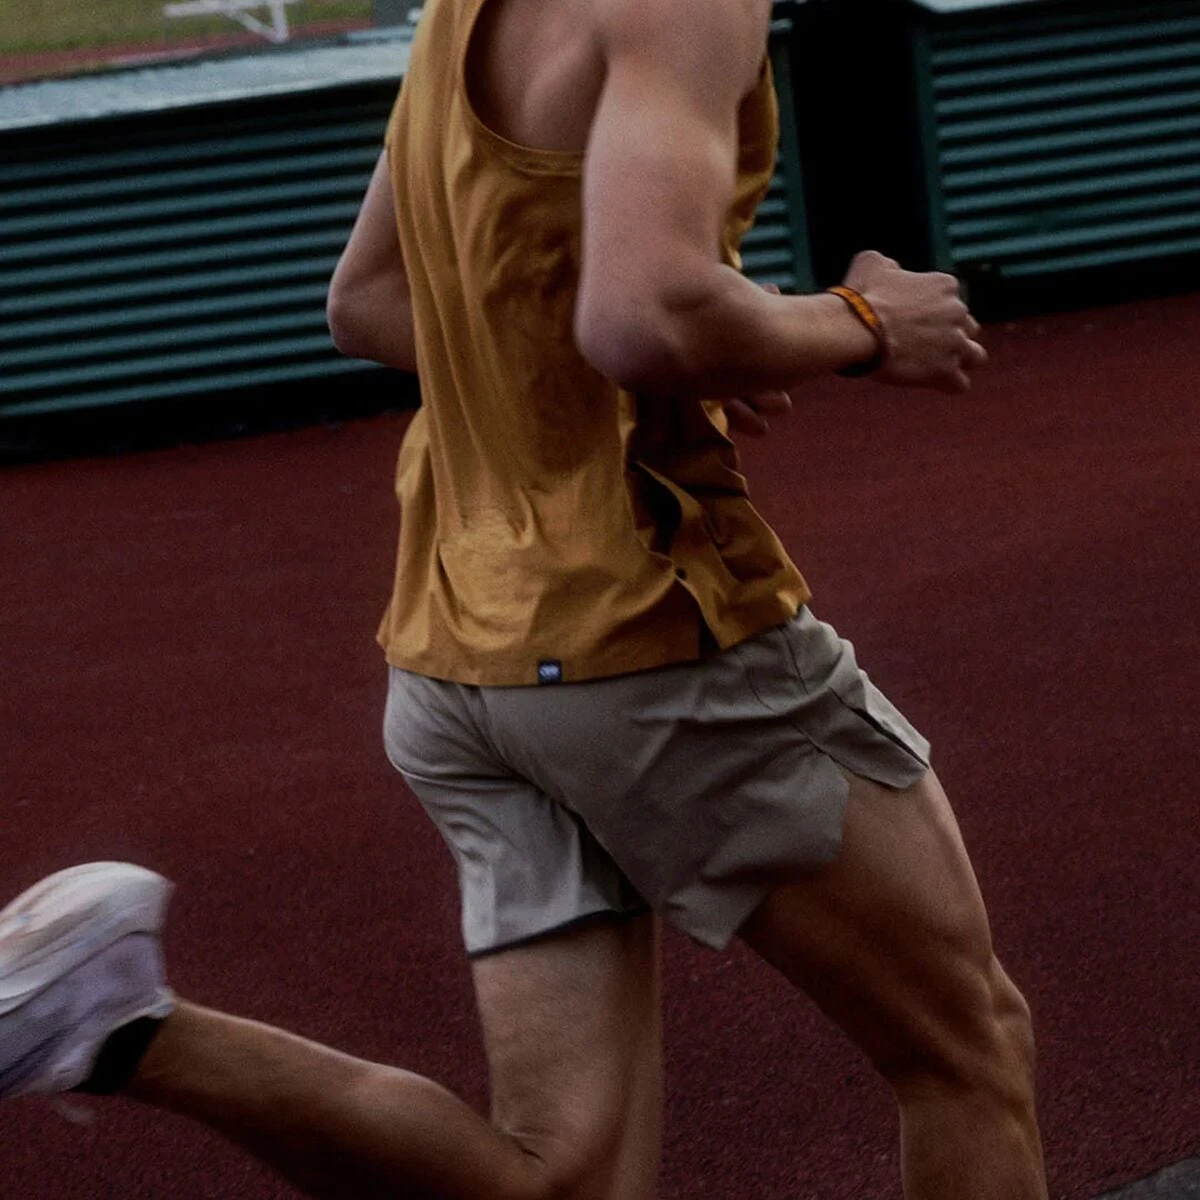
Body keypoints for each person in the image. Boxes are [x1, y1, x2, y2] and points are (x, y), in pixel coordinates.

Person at [0, 0, 1049, 1195]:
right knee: (968, 1052)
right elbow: (642, 314)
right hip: (650, 638)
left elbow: (367, 299)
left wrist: (711, 344)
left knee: (561, 1176)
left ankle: (118, 1023)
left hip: (459, 659)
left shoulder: (461, 12)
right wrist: (858, 324)